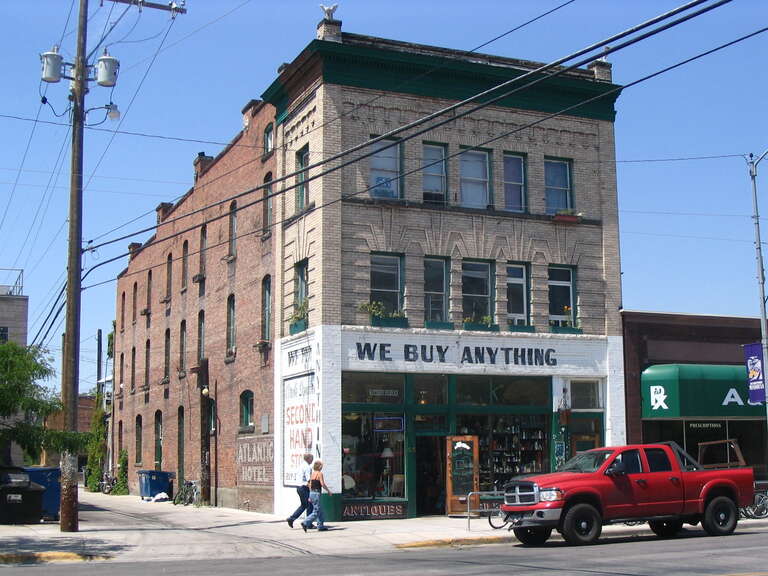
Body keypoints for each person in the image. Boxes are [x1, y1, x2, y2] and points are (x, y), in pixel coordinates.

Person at [301, 459, 332, 532]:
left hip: (312, 493)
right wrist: (328, 491)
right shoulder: (320, 474)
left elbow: (310, 485)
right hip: (317, 493)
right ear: (319, 466)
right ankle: (305, 522)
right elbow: (322, 484)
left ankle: (320, 526)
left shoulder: (312, 474)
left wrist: (309, 496)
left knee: (320, 510)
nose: (322, 467)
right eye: (321, 466)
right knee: (316, 511)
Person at [286, 453, 313, 528]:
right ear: (308, 459)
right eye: (311, 458)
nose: (312, 460)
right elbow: (309, 480)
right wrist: (312, 491)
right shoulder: (307, 467)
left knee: (304, 505)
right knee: (309, 505)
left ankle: (291, 518)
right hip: (304, 488)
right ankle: (308, 523)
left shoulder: (301, 466)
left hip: (299, 487)